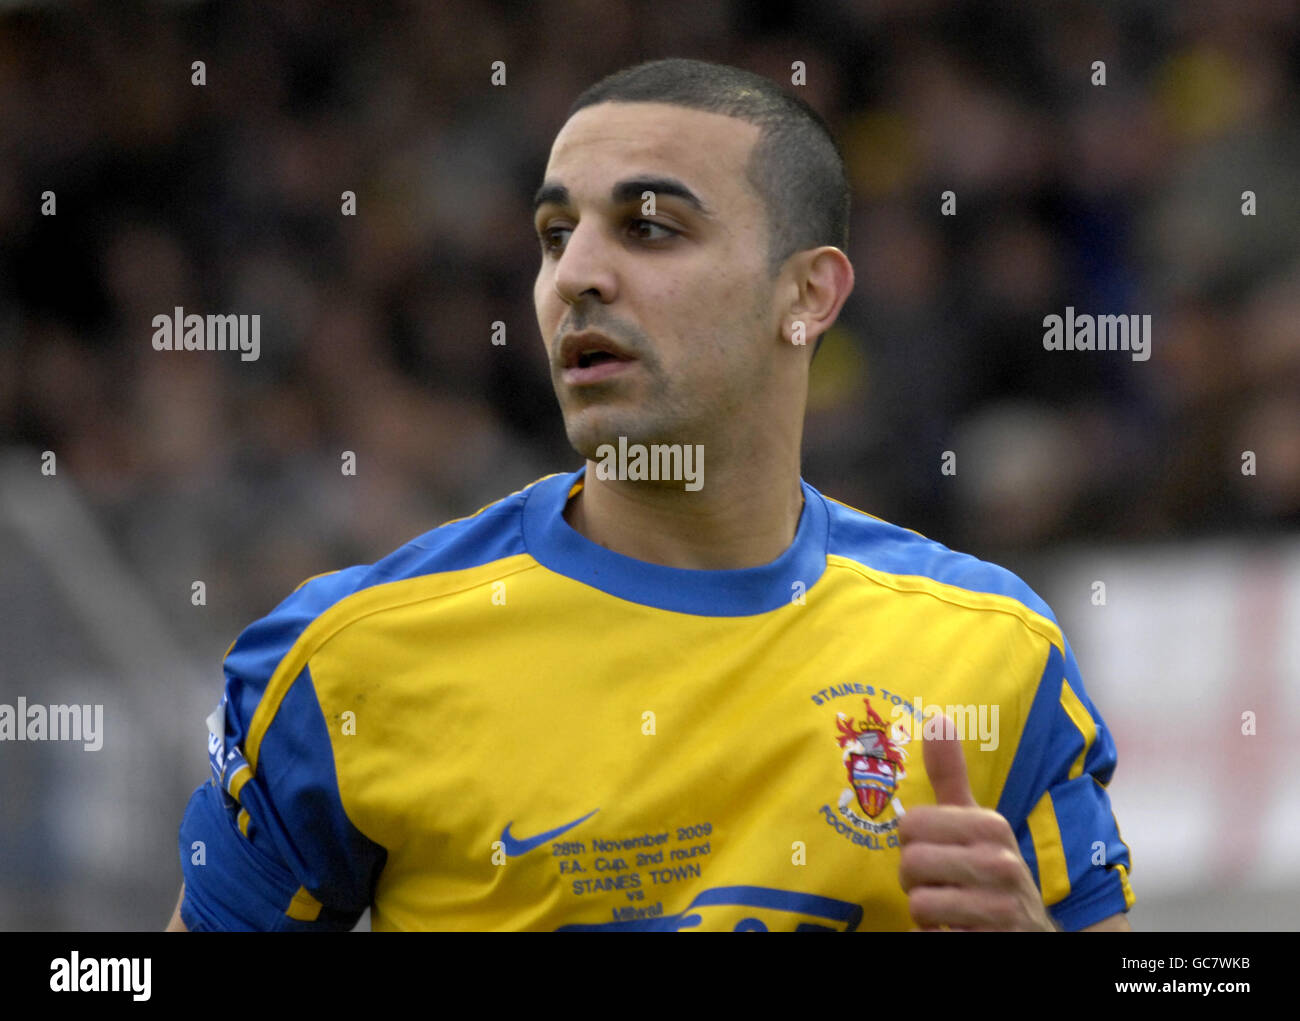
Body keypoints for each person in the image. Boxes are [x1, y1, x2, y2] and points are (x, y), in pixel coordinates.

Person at [168, 58, 1133, 932]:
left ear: (808, 296)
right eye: (555, 235)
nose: (576, 276)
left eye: (650, 227)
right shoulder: (345, 662)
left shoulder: (996, 653)